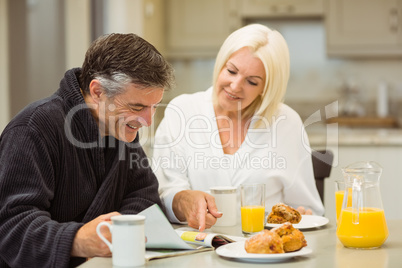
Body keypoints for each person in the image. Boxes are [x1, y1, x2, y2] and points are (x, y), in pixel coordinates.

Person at [0, 33, 174, 267]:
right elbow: (12, 225)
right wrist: (78, 240)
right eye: (137, 106)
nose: (147, 121)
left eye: (153, 107)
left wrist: (119, 230)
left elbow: (144, 196)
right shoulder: (33, 129)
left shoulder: (121, 128)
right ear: (98, 92)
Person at [152, 24, 324, 231]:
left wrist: (302, 215)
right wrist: (183, 201)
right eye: (231, 71)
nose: (235, 86)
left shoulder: (286, 122)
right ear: (221, 64)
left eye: (252, 82)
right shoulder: (182, 111)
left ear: (266, 88)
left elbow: (305, 208)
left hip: (265, 252)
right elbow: (163, 194)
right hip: (199, 248)